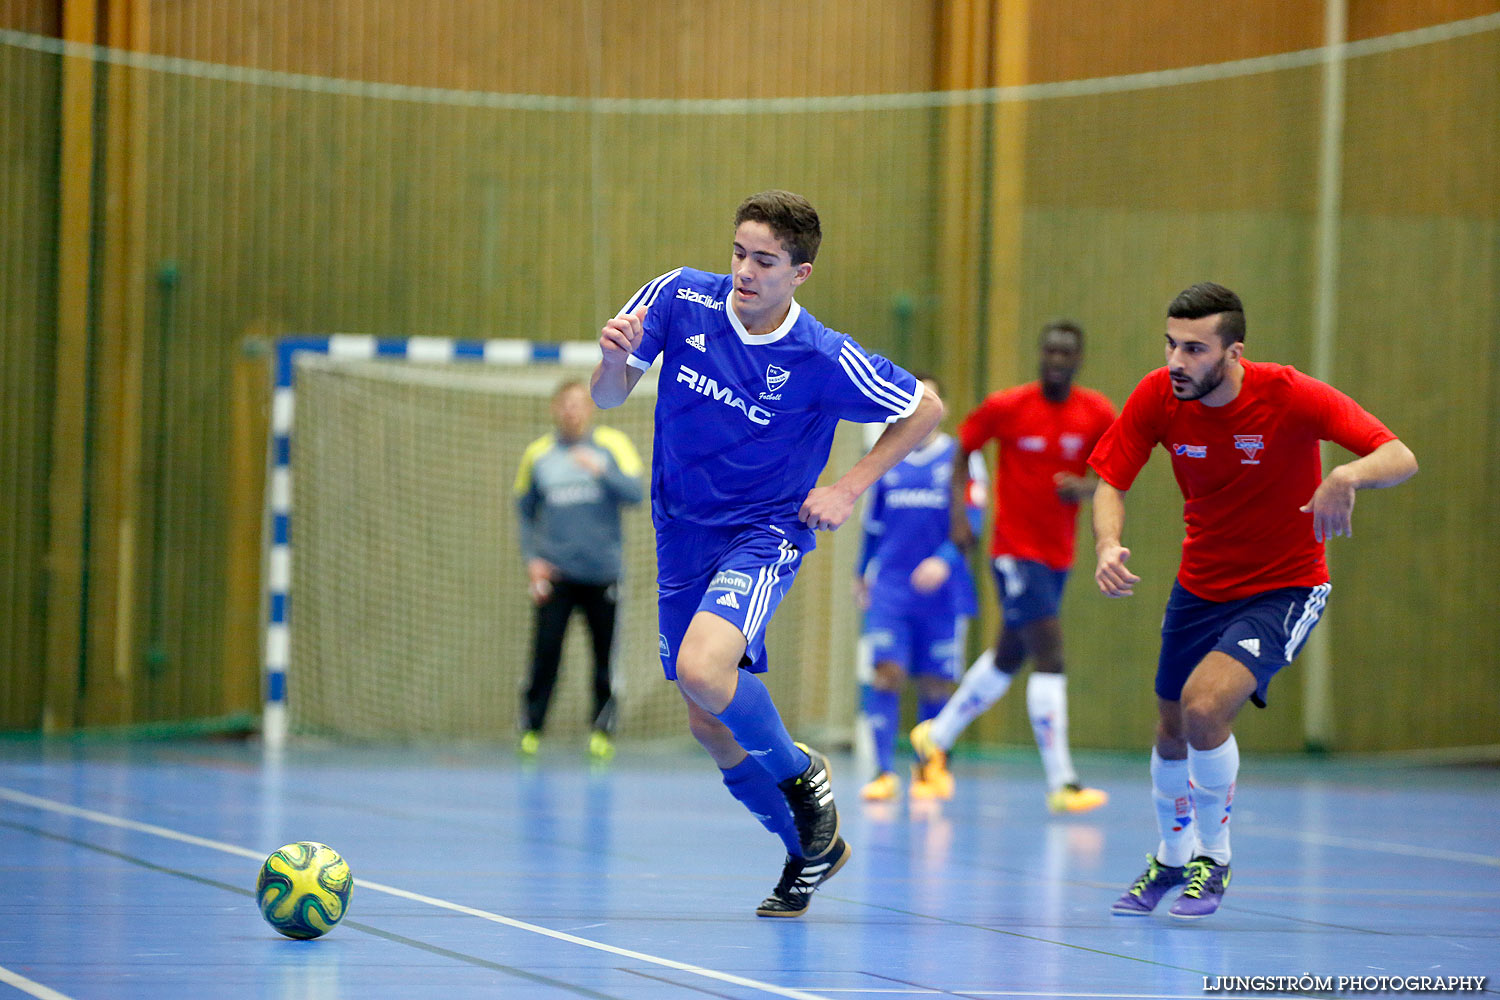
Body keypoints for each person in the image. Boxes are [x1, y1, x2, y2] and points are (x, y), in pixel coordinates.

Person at [591, 190, 943, 918]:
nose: (745, 271)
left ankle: (799, 771)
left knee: (702, 667)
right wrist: (612, 360)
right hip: (680, 528)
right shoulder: (683, 296)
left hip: (763, 532)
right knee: (706, 717)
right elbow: (609, 396)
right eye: (740, 252)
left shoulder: (820, 356)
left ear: (800, 273)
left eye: (766, 260)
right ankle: (810, 851)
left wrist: (848, 487)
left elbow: (927, 408)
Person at [1090, 282, 1417, 919]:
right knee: (1170, 727)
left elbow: (1399, 455)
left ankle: (1216, 856)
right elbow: (1110, 479)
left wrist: (1346, 474)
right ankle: (1171, 856)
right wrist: (1107, 544)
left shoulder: (1290, 395)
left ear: (1233, 352)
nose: (1176, 361)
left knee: (1205, 706)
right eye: (1170, 345)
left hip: (1284, 585)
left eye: (1193, 349)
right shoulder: (1159, 395)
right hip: (1200, 585)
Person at [909, 321, 1117, 812]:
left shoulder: (1096, 413)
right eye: (1049, 351)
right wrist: (960, 513)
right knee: (1051, 655)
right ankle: (1063, 782)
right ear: (1040, 355)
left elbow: (1116, 470)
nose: (1056, 360)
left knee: (1008, 657)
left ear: (1079, 359)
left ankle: (934, 738)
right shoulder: (1010, 406)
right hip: (1014, 551)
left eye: (1066, 353)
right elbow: (963, 449)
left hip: (1058, 553)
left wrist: (1085, 488)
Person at [853, 374, 984, 801]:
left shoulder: (960, 459)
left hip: (942, 591)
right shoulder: (887, 459)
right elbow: (872, 525)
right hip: (891, 586)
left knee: (934, 683)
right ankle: (882, 772)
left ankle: (931, 767)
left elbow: (975, 521)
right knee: (886, 672)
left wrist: (944, 561)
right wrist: (861, 573)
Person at [514, 379, 644, 760]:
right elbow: (523, 511)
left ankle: (602, 731)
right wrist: (532, 560)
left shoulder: (612, 447)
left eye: (578, 403)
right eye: (564, 404)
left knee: (604, 657)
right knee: (545, 653)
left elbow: (636, 494)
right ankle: (531, 729)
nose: (571, 410)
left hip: (604, 573)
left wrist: (602, 470)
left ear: (590, 408)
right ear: (555, 409)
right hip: (556, 575)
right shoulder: (538, 455)